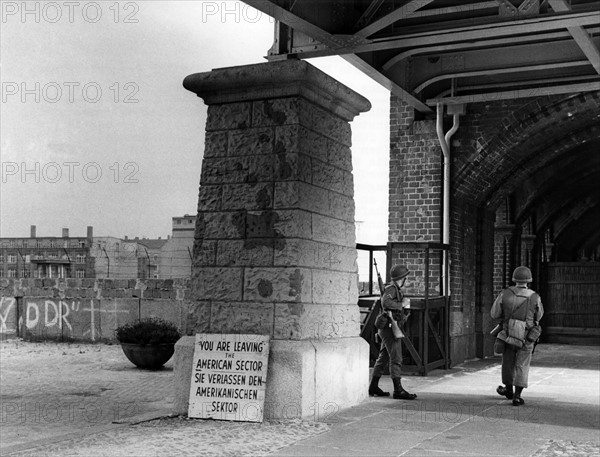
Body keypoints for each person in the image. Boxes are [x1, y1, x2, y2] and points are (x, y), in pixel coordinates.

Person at [491, 266, 544, 406]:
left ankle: (508, 391)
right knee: (522, 364)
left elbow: (494, 314)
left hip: (507, 334)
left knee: (507, 362)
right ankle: (517, 396)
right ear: (529, 280)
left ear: (514, 279)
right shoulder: (535, 297)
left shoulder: (505, 294)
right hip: (526, 337)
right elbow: (539, 315)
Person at [368, 264, 417, 400]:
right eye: (405, 277)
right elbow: (386, 303)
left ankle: (373, 386)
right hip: (390, 327)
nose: (406, 279)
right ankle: (398, 390)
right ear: (402, 278)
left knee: (383, 357)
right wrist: (402, 305)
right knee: (396, 358)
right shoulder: (391, 288)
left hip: (389, 326)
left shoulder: (395, 289)